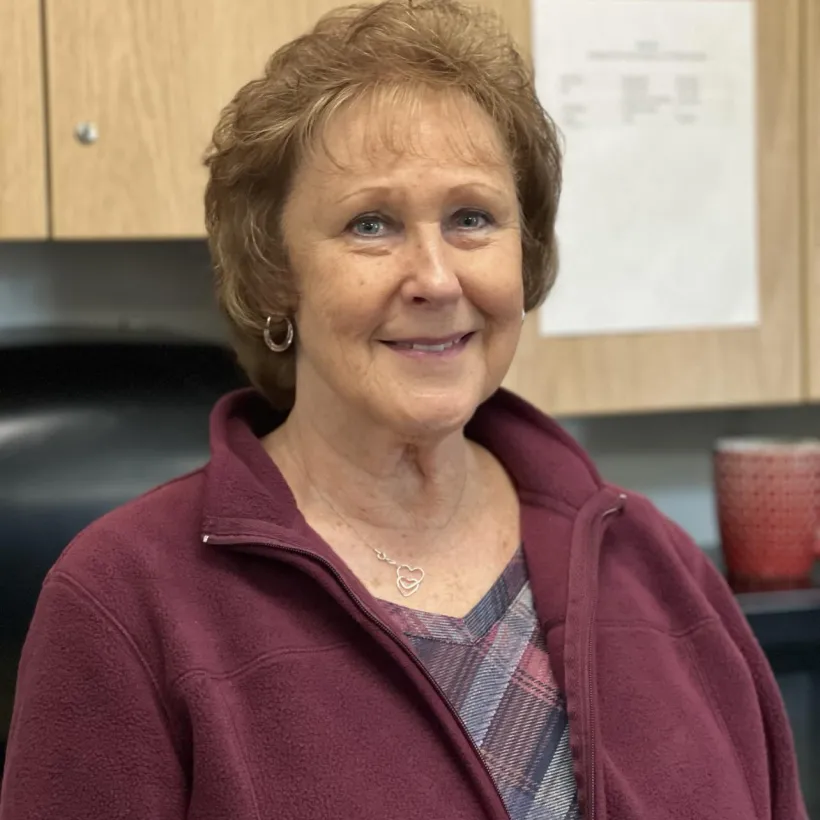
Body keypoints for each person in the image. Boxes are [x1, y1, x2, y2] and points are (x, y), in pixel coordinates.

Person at [0, 1, 808, 818]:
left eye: (472, 218)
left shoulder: (656, 566)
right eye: (371, 224)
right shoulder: (126, 601)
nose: (436, 279)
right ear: (276, 273)